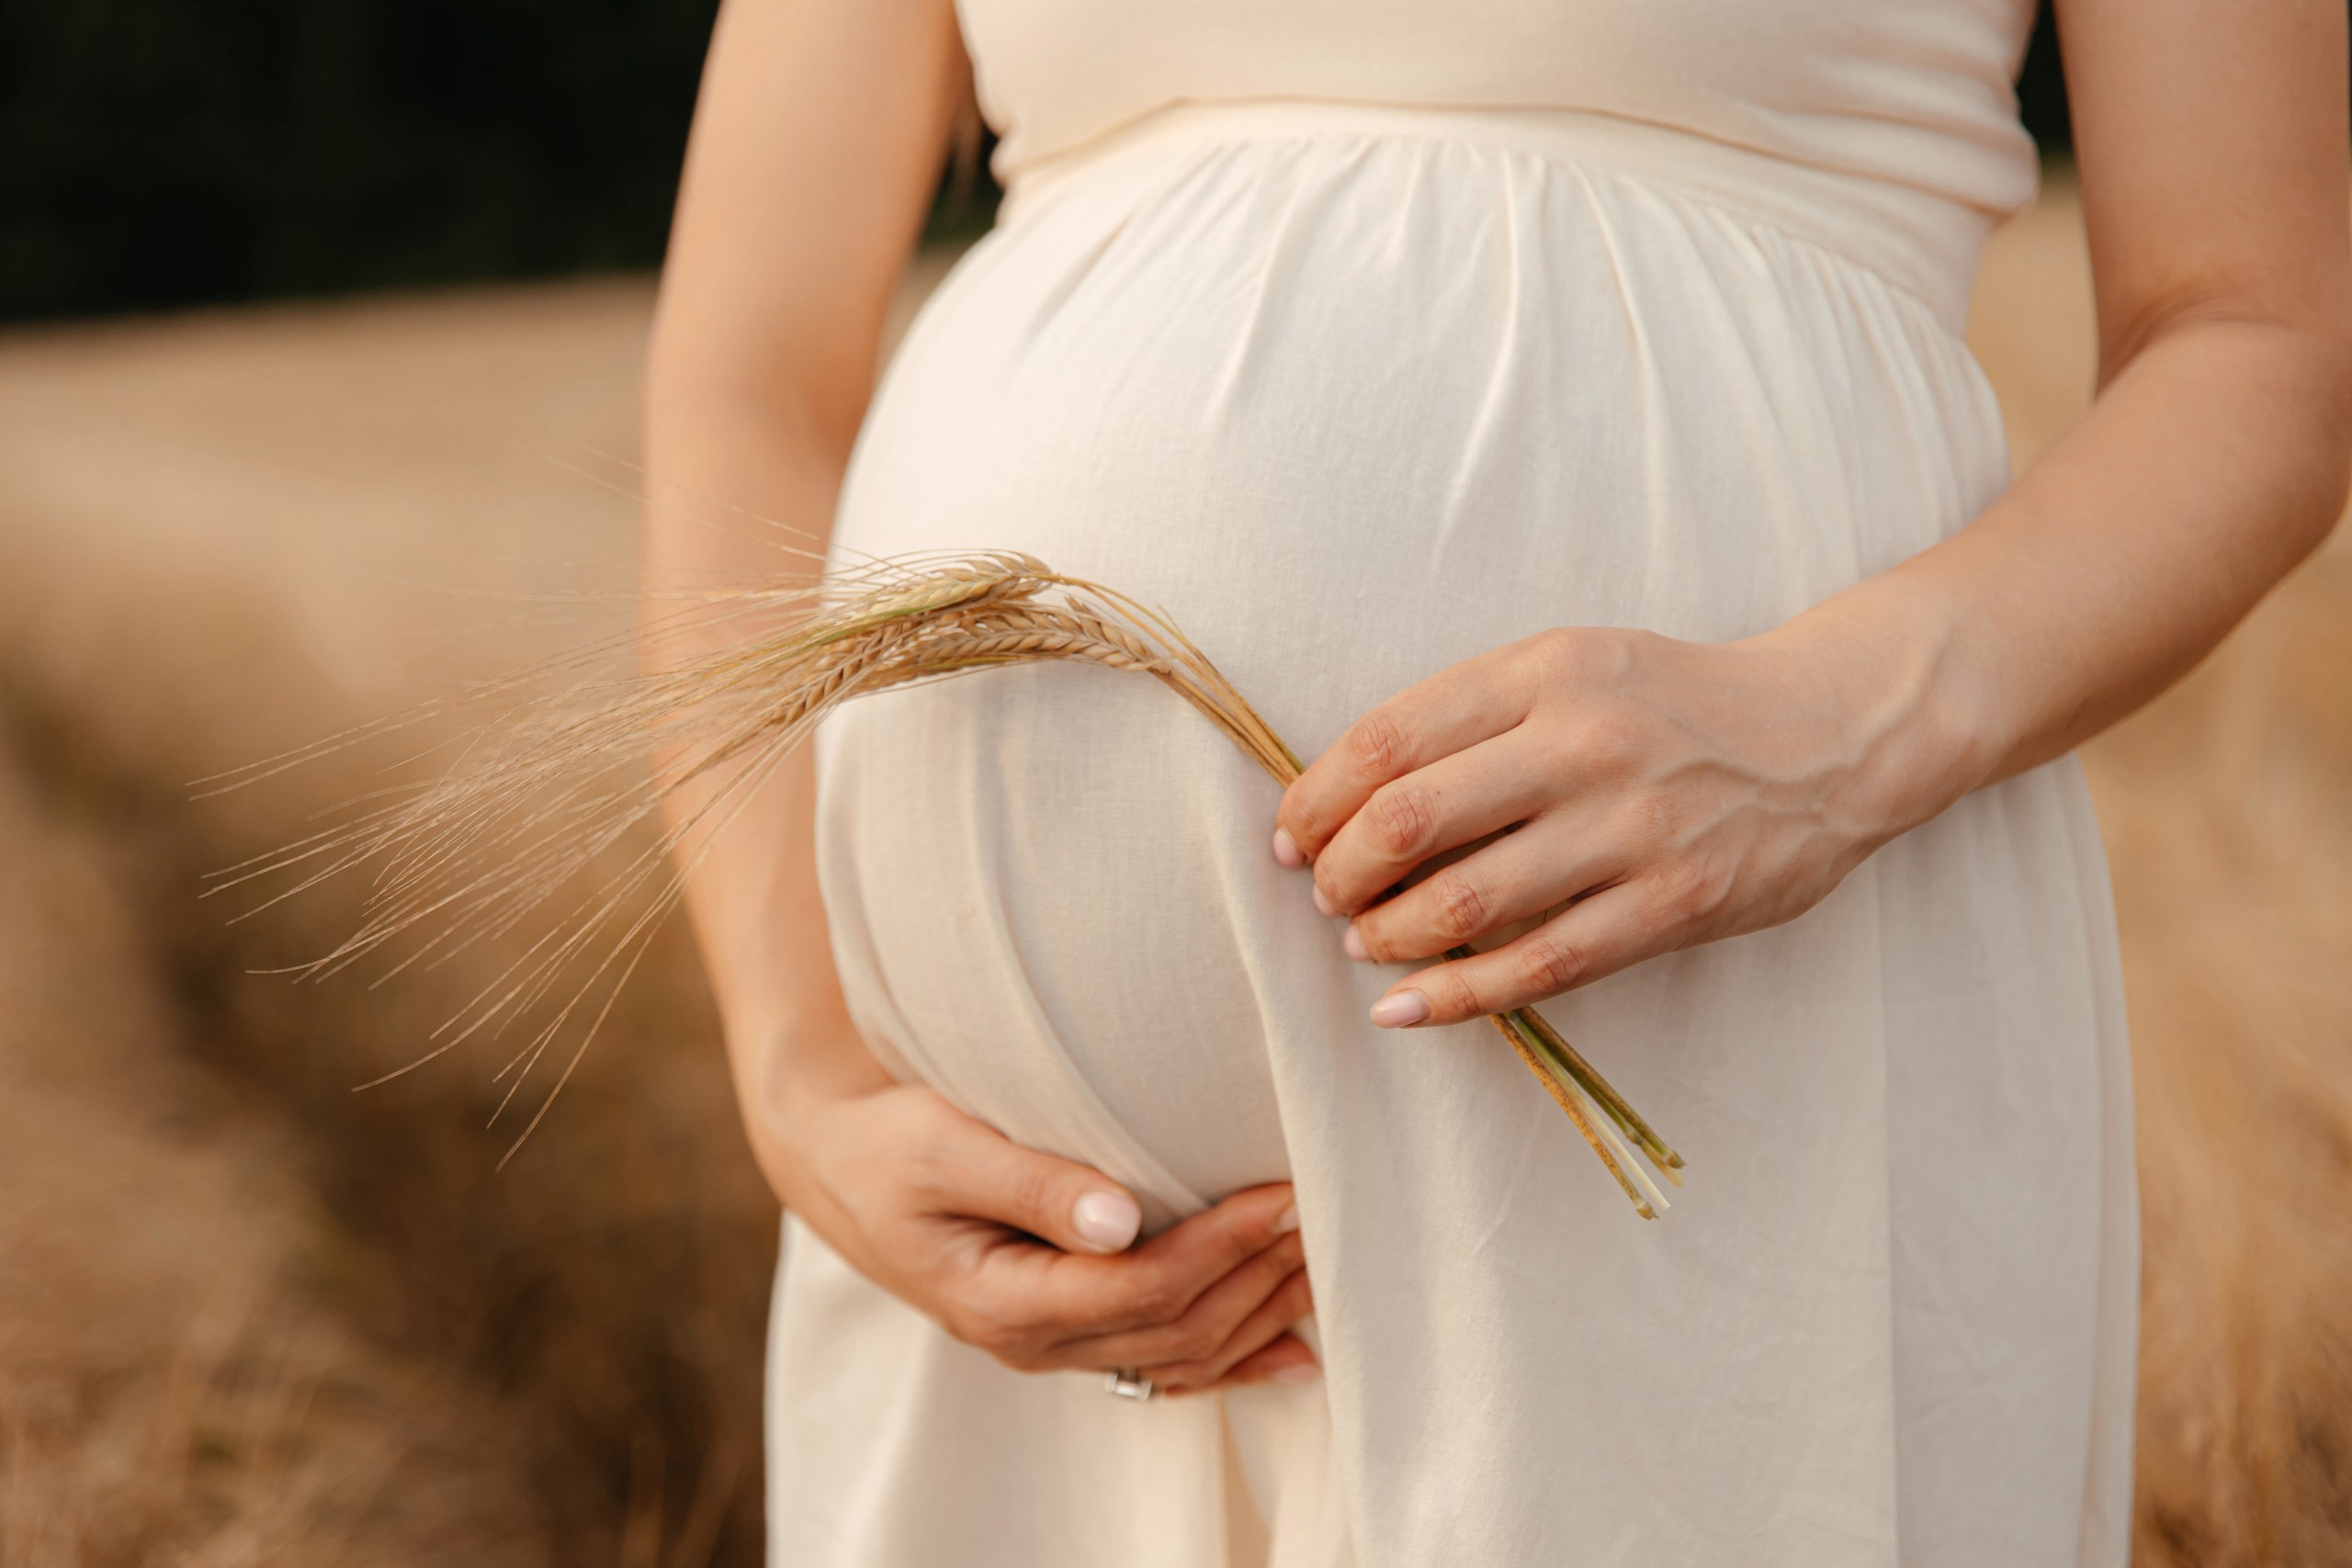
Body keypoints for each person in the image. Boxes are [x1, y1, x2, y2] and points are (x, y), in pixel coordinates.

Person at [640, 0, 2351, 1562]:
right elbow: (749, 377)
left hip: (1730, 1030)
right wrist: (805, 1078)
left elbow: (2263, 336)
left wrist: (1833, 730)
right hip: (1012, 1285)